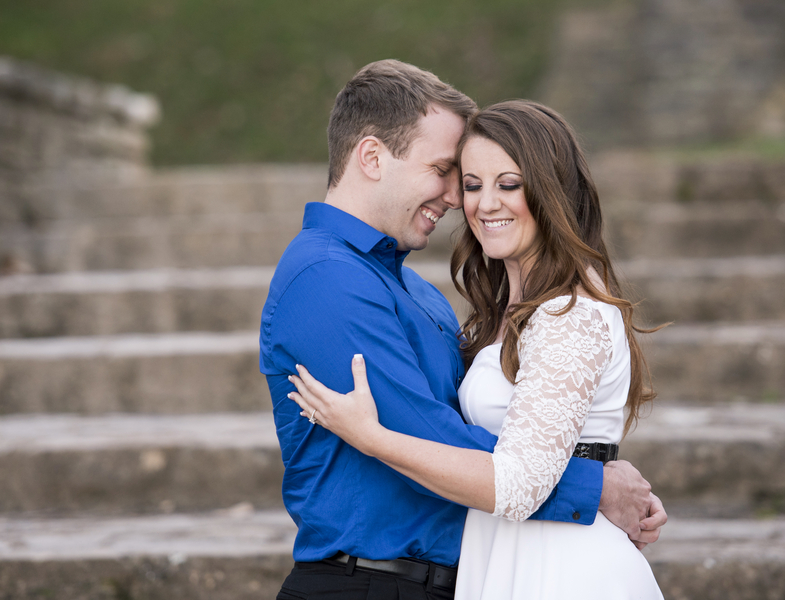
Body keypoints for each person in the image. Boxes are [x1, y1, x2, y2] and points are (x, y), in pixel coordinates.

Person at [260, 60, 665, 600]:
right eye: (449, 173)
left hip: (493, 572)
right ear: (373, 157)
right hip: (368, 582)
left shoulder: (421, 294)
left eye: (495, 182)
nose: (458, 199)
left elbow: (502, 446)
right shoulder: (327, 280)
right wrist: (591, 485)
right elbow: (430, 434)